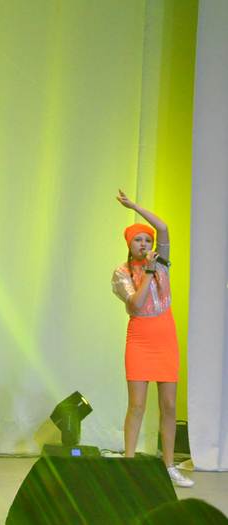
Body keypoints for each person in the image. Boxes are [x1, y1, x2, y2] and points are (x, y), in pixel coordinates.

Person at [112, 189, 194, 487]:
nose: (145, 244)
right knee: (137, 405)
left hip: (165, 336)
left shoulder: (163, 263)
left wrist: (134, 206)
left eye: (148, 240)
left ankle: (169, 465)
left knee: (169, 406)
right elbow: (135, 305)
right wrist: (147, 271)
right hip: (139, 338)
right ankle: (129, 464)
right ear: (129, 244)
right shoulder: (121, 272)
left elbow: (164, 227)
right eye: (138, 240)